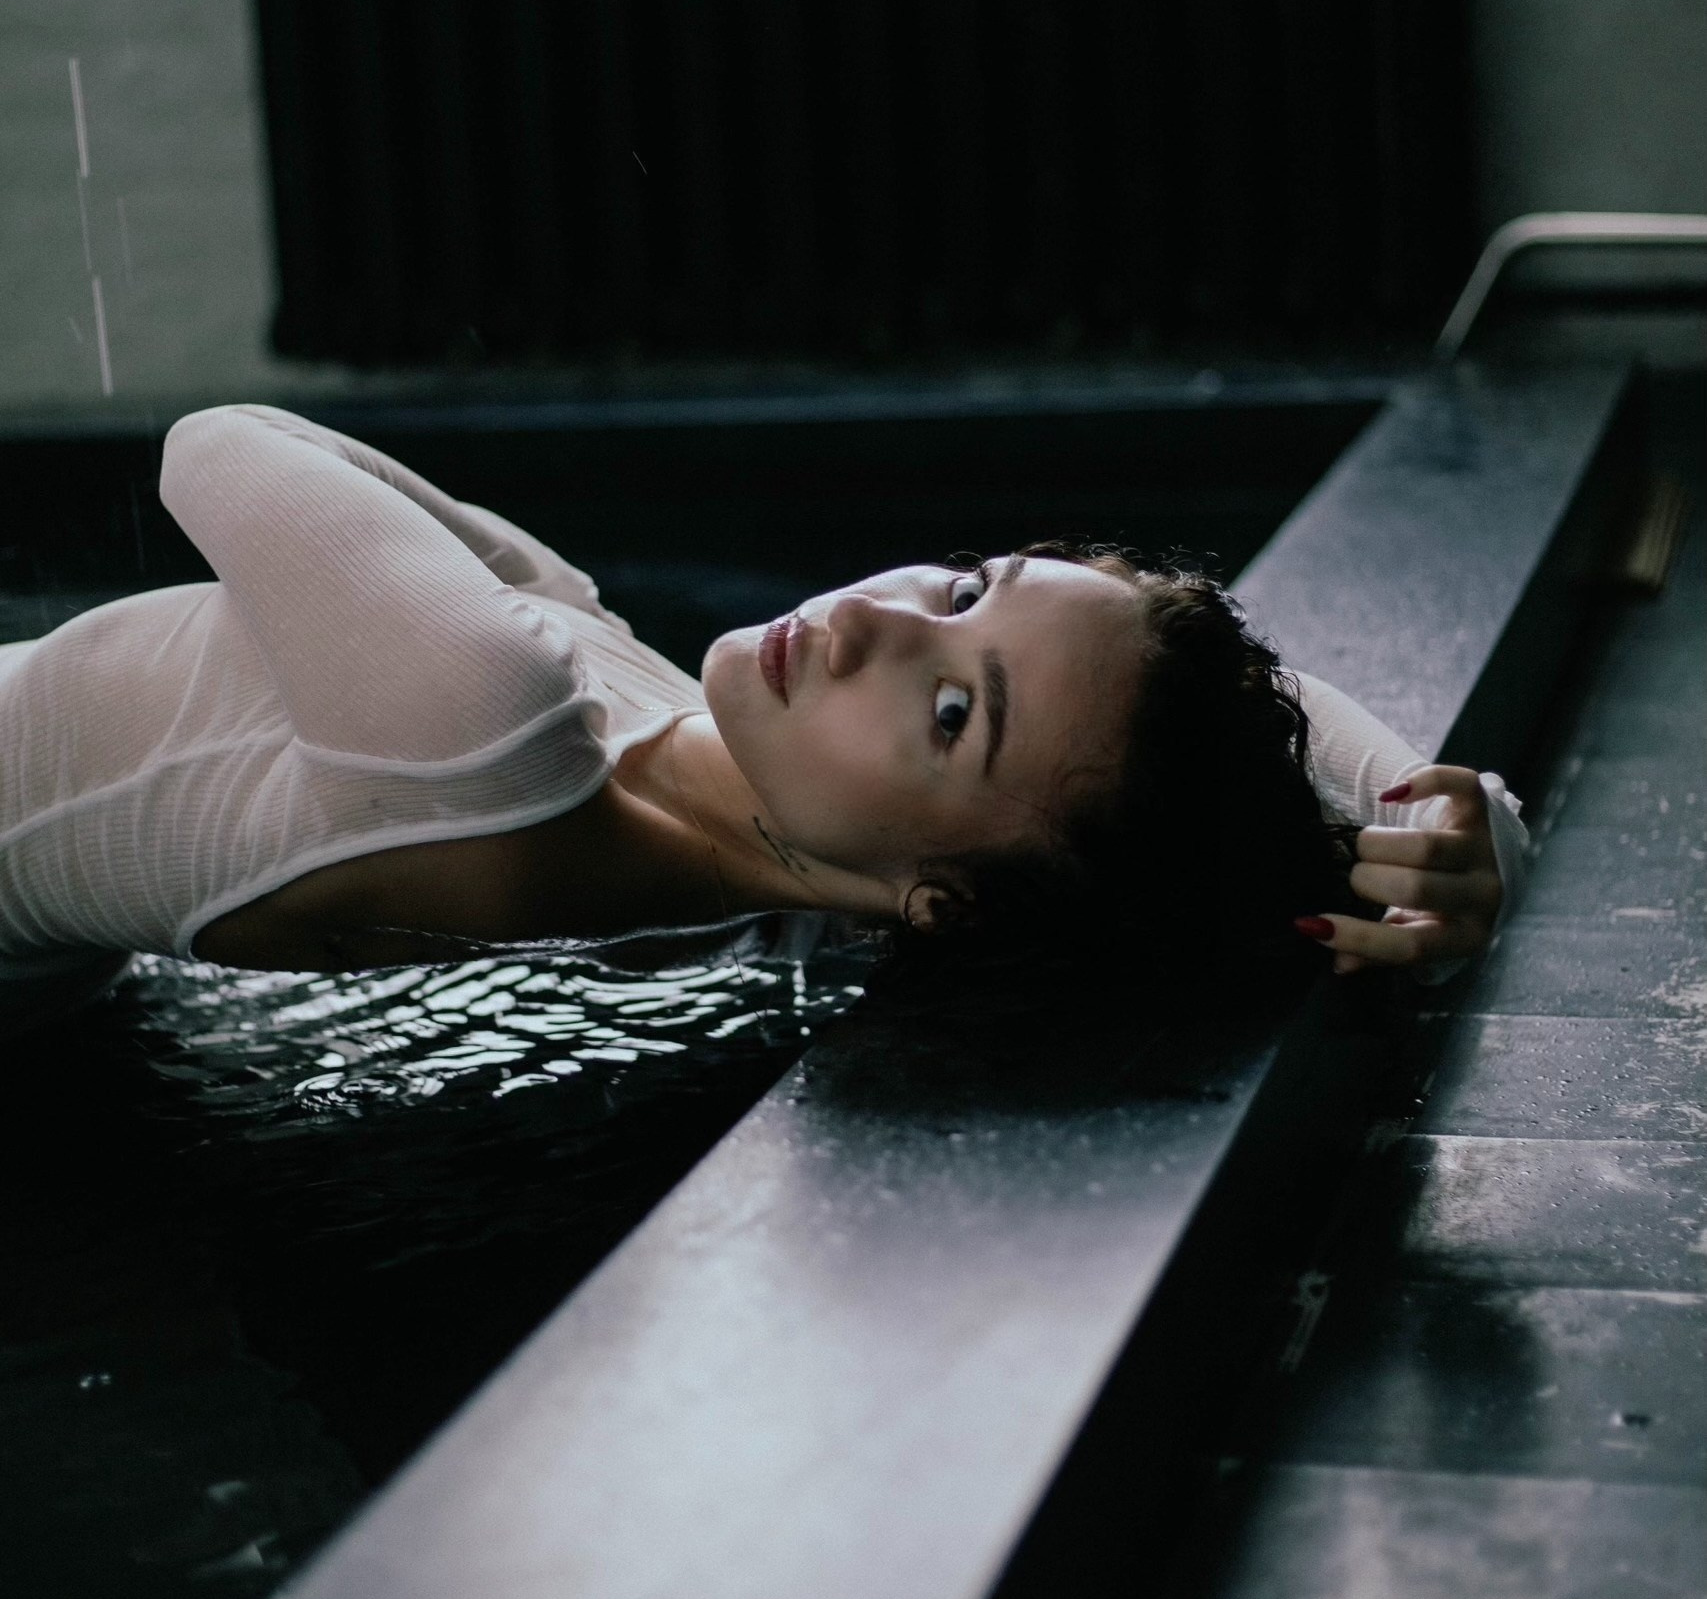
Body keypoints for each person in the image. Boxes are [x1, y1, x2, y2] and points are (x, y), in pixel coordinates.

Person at [0, 404, 1525, 1030]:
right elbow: (1167, 729)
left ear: (945, 903)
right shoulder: (753, 828)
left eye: (949, 712)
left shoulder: (481, 723)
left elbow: (219, 442)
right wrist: (1434, 806)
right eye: (967, 587)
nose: (877, 620)